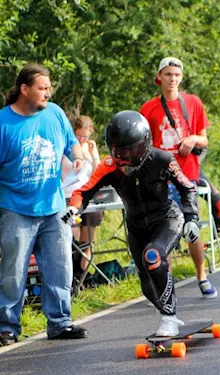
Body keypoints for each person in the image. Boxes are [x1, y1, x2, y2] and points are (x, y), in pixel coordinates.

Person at [69, 110, 199, 336]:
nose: (126, 157)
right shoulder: (109, 166)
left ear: (145, 144)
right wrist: (73, 207)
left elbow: (187, 187)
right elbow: (84, 191)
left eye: (133, 149)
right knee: (146, 281)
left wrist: (191, 218)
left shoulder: (162, 159)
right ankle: (168, 315)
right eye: (120, 150)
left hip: (166, 218)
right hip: (136, 226)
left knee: (154, 257)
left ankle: (169, 318)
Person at [0, 63, 87, 346]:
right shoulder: (3, 123)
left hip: (53, 206)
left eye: (49, 88)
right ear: (24, 89)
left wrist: (78, 157)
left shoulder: (55, 113)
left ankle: (60, 323)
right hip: (15, 209)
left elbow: (71, 143)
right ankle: (7, 327)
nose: (48, 93)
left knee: (60, 266)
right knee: (13, 272)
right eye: (43, 88)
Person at [140, 57, 217, 299]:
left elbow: (204, 139)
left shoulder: (193, 103)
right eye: (168, 74)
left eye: (176, 75)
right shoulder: (148, 108)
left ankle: (201, 275)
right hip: (160, 178)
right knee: (164, 231)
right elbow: (142, 145)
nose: (172, 79)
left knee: (191, 229)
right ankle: (167, 283)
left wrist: (193, 139)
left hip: (187, 176)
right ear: (159, 77)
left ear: (181, 77)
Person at [62, 115, 103, 274]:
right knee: (71, 240)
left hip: (88, 196)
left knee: (87, 243)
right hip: (68, 197)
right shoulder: (67, 146)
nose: (81, 139)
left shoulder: (89, 147)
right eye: (78, 135)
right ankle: (71, 275)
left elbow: (99, 172)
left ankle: (83, 276)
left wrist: (93, 154)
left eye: (85, 136)